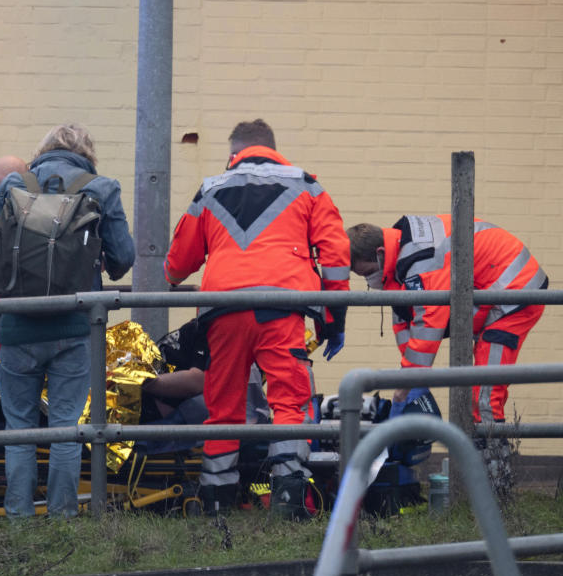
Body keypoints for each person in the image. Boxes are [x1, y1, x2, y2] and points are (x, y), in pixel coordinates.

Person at [164, 119, 350, 519]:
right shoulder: (307, 185)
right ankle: (289, 497)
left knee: (224, 405)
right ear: (272, 147)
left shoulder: (211, 188)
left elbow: (176, 267)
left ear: (235, 154)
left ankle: (216, 501)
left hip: (222, 311)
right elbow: (336, 256)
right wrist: (333, 320)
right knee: (289, 400)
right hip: (281, 308)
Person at [0, 123, 135, 518]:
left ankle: (19, 520)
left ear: (43, 149)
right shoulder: (101, 187)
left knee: (20, 430)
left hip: (17, 327)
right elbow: (124, 260)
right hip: (74, 328)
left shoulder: (13, 184)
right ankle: (62, 521)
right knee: (67, 428)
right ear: (87, 152)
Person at [347, 215, 547, 423]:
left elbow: (427, 324)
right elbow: (404, 318)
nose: (369, 280)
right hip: (494, 284)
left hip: (516, 290)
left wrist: (408, 383)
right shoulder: (402, 251)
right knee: (481, 377)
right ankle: (479, 445)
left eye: (368, 272)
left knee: (485, 390)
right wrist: (409, 380)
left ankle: (491, 450)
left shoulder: (421, 262)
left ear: (380, 254)